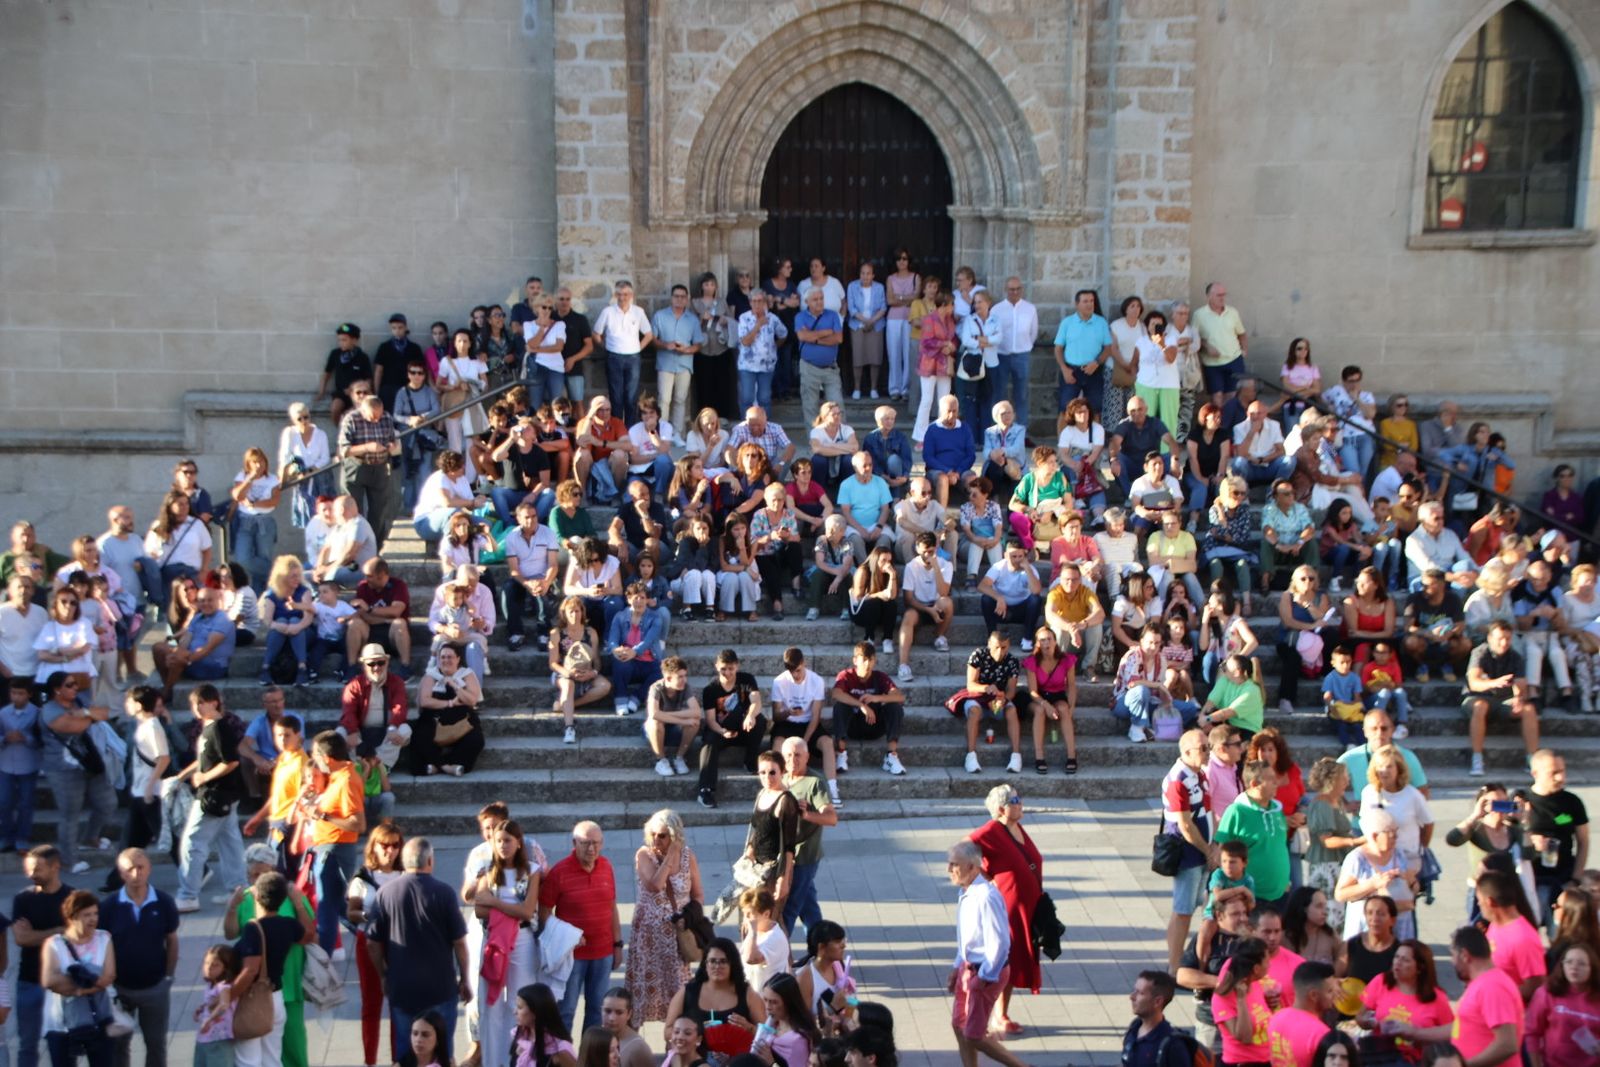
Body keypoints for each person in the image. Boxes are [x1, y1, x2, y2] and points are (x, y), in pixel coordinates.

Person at [367, 838, 473, 1047]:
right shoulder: (444, 893)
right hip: (440, 987)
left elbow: (372, 943)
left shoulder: (386, 893)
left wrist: (382, 974)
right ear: (430, 861)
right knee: (442, 1051)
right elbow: (460, 942)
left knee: (408, 1051)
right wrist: (464, 978)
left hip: (402, 987)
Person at [944, 840, 1028, 1067]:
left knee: (974, 1034)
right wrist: (957, 966)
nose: (948, 870)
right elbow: (967, 938)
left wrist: (985, 978)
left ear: (973, 867)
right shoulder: (967, 892)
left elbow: (999, 944)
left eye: (954, 865)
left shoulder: (986, 897)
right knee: (958, 1024)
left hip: (984, 972)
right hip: (968, 969)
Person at [969, 785, 1043, 1033]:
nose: (1020, 803)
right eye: (1015, 800)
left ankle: (1001, 1013)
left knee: (1014, 959)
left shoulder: (1016, 827)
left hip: (1027, 907)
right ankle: (987, 1014)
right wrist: (986, 876)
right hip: (1007, 908)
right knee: (1003, 959)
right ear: (1001, 808)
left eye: (1020, 797)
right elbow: (965, 847)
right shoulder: (992, 830)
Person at [1391, 926, 1521, 1067]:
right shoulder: (1480, 983)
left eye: (1453, 955)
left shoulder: (1492, 987)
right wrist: (1415, 1033)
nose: (1452, 961)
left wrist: (1465, 1065)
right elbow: (1460, 1027)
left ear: (1464, 955)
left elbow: (1508, 1044)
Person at [98, 849, 179, 1067]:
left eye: (141, 867)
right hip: (119, 988)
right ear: (121, 873)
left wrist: (168, 978)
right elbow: (101, 944)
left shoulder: (163, 902)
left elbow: (172, 940)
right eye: (129, 869)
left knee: (156, 1044)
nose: (136, 873)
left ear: (149, 868)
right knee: (118, 1046)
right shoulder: (109, 906)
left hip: (155, 987)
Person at [540, 822, 621, 1034]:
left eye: (595, 843)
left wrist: (618, 944)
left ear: (602, 843)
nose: (591, 849)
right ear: (574, 843)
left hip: (603, 953)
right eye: (585, 843)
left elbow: (612, 907)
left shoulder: (607, 867)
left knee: (597, 1010)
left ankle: (589, 1057)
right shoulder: (559, 872)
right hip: (571, 956)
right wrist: (567, 935)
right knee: (565, 1010)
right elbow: (543, 913)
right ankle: (562, 1059)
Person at [174, 685, 249, 913]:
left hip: (215, 795)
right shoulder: (209, 727)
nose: (196, 708)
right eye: (194, 703)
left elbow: (231, 761)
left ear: (214, 702)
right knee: (229, 842)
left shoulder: (219, 727)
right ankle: (238, 889)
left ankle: (188, 895)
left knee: (192, 842)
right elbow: (207, 758)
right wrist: (183, 775)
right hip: (223, 794)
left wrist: (203, 777)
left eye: (201, 703)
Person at [230, 872, 316, 1067]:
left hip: (253, 998)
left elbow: (251, 970)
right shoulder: (288, 925)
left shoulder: (254, 928)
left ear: (257, 897)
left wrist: (229, 995)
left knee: (247, 1059)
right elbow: (309, 936)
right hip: (277, 997)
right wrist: (299, 904)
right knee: (273, 1058)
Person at [626, 810, 701, 1025]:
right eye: (653, 834)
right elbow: (655, 884)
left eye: (662, 835)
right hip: (649, 937)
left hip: (677, 936)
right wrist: (669, 858)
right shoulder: (644, 855)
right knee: (642, 996)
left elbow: (698, 894)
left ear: (675, 835)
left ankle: (675, 1046)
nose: (656, 840)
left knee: (678, 998)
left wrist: (690, 916)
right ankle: (631, 1047)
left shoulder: (688, 856)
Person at [346, 824, 405, 1067]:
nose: (389, 851)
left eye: (395, 845)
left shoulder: (405, 875)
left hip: (398, 944)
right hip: (368, 941)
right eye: (384, 845)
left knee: (398, 1004)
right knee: (371, 1003)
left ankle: (397, 1059)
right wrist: (371, 916)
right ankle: (370, 1060)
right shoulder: (362, 877)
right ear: (374, 846)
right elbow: (351, 913)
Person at [41, 889, 116, 1067]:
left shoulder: (103, 938)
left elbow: (108, 977)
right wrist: (87, 983)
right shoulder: (54, 944)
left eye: (95, 913)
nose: (93, 919)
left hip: (98, 1020)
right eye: (86, 915)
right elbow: (49, 981)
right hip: (61, 1025)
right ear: (71, 917)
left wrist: (73, 987)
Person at [663, 937, 766, 1066]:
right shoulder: (688, 992)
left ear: (732, 964)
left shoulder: (747, 994)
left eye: (723, 961)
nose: (717, 966)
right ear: (705, 964)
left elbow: (766, 1035)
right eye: (712, 961)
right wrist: (687, 1034)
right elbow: (667, 1030)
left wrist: (749, 1028)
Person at [1176, 894, 1252, 1057]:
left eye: (1244, 913)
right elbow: (1183, 975)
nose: (1243, 918)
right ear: (1219, 916)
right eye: (1235, 914)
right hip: (1210, 1020)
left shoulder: (1252, 941)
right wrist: (1219, 981)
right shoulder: (1206, 938)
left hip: (1246, 1020)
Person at [1463, 620, 1541, 775]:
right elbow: (1474, 683)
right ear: (1490, 638)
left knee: (1528, 709)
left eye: (1508, 638)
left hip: (1505, 701)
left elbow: (1520, 683)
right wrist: (1494, 683)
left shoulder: (1515, 657)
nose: (1504, 643)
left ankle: (1531, 759)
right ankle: (1477, 759)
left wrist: (1519, 697)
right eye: (1500, 638)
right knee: (1480, 706)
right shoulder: (1479, 653)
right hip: (1478, 698)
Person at [1526, 749, 1589, 933]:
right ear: (1535, 774)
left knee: (1562, 934)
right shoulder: (1522, 800)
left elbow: (1583, 841)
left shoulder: (1572, 802)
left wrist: (1575, 879)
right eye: (1553, 773)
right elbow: (1506, 835)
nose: (1560, 777)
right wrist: (1530, 839)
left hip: (1563, 877)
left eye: (1562, 771)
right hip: (1532, 878)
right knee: (1530, 934)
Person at [779, 736, 837, 932]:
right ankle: (821, 945)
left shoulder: (814, 782)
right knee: (808, 908)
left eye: (797, 755)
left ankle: (778, 954)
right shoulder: (782, 779)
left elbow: (831, 818)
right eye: (788, 755)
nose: (792, 760)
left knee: (789, 908)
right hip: (785, 855)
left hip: (804, 857)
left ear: (807, 757)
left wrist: (806, 814)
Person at [1216, 761, 1290, 910]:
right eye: (1270, 779)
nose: (1277, 782)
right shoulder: (1236, 811)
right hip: (1250, 896)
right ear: (1255, 783)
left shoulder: (1276, 809)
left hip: (1281, 894)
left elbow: (1279, 846)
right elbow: (1221, 852)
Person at [1337, 805, 1417, 941]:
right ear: (1374, 836)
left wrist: (1411, 883)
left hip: (1399, 927)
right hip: (1366, 929)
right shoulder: (1357, 859)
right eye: (1391, 833)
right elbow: (1340, 894)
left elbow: (1414, 887)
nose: (1395, 838)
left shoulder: (1399, 854)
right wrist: (1373, 884)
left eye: (1396, 832)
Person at [830, 642, 907, 777]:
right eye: (864, 659)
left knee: (895, 707)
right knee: (840, 707)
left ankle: (891, 756)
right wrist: (861, 705)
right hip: (852, 726)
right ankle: (841, 754)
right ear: (855, 660)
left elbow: (900, 697)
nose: (867, 663)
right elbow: (836, 693)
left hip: (874, 726)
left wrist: (876, 698)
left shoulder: (880, 677)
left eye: (870, 659)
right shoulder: (846, 675)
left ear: (874, 661)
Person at [1475, 869, 1546, 1001]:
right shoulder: (1496, 924)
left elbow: (1535, 986)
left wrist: (1498, 993)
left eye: (1479, 900)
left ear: (1490, 902)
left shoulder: (1523, 939)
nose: (1478, 904)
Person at [1526, 941, 1600, 1067]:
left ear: (1592, 969)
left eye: (1581, 964)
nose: (1574, 967)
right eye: (1569, 962)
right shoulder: (1547, 993)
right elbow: (1532, 1032)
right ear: (1562, 966)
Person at [1053, 288, 1114, 417]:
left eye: (1091, 301)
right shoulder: (1067, 323)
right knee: (1065, 410)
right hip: (1071, 372)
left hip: (1094, 371)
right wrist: (1064, 369)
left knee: (1095, 410)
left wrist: (1096, 363)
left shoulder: (1101, 322)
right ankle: (1063, 438)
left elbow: (1108, 348)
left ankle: (1094, 438)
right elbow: (1058, 348)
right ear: (1077, 304)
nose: (1089, 304)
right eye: (1085, 301)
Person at [1264, 962, 1335, 1067]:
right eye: (1329, 991)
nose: (1334, 995)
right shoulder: (1320, 1034)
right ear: (1313, 995)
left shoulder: (1276, 1018)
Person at [1193, 282, 1248, 407]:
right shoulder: (1199, 315)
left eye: (1224, 295)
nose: (1222, 298)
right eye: (1219, 295)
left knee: (1232, 396)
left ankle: (1228, 425)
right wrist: (1207, 346)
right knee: (1217, 397)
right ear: (1209, 297)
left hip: (1234, 360)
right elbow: (1194, 338)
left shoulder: (1232, 312)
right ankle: (1217, 424)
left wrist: (1244, 352)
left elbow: (1242, 334)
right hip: (1212, 363)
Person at [1122, 970, 1191, 1067]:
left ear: (1157, 1001)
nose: (1132, 997)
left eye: (1140, 993)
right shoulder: (1134, 1028)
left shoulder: (1173, 1045)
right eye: (1134, 991)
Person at [600, 988, 653, 1067]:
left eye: (619, 1012)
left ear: (629, 1014)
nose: (612, 1018)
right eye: (607, 1011)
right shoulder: (596, 1038)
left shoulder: (637, 1048)